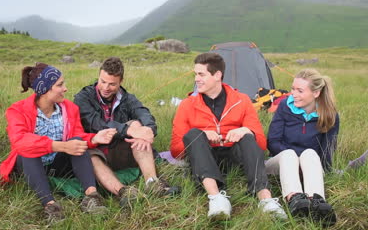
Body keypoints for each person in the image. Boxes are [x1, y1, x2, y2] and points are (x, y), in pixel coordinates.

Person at [170, 53, 286, 220]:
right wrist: (202, 136)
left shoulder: (242, 100)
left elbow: (261, 145)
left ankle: (265, 199)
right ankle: (217, 198)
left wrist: (246, 131)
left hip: (234, 156)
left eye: (201, 74)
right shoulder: (187, 105)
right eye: (195, 74)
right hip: (204, 158)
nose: (196, 79)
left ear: (217, 75)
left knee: (248, 135)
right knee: (194, 133)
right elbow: (176, 150)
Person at [0, 63, 117, 222]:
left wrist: (94, 138)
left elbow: (77, 137)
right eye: (60, 85)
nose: (65, 88)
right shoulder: (17, 110)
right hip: (29, 166)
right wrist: (60, 146)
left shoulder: (70, 108)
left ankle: (91, 197)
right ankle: (51, 206)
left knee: (77, 142)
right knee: (27, 150)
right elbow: (19, 140)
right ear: (45, 89)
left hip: (58, 164)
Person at [74, 57, 180, 207]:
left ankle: (153, 183)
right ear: (99, 76)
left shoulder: (127, 98)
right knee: (90, 153)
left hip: (118, 150)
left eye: (112, 84)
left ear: (120, 81)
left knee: (138, 124)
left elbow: (143, 113)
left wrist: (148, 129)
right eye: (103, 81)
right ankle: (124, 193)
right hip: (95, 150)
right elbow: (95, 123)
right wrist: (129, 130)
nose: (105, 87)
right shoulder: (83, 97)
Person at [265, 68, 339, 226]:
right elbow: (273, 141)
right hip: (280, 161)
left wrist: (327, 169)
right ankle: (295, 200)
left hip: (308, 164)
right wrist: (296, 159)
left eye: (300, 90)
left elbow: (327, 149)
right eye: (293, 89)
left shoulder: (329, 114)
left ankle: (317, 202)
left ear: (316, 93)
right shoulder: (285, 106)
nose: (293, 94)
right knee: (289, 154)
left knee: (311, 153)